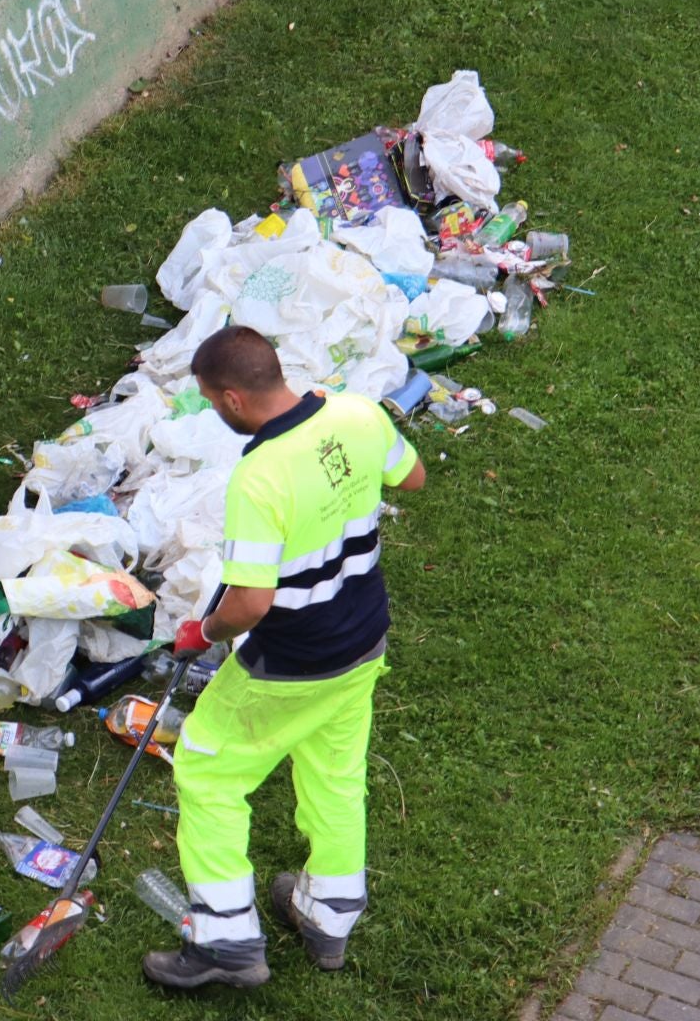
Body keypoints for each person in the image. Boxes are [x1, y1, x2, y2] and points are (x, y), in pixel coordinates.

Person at [142, 325, 425, 991]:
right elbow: (412, 476)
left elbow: (250, 603)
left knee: (207, 772)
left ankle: (225, 943)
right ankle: (330, 913)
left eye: (211, 399)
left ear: (232, 399)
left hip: (293, 660)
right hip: (362, 637)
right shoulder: (357, 413)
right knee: (336, 771)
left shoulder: (259, 476)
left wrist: (204, 631)